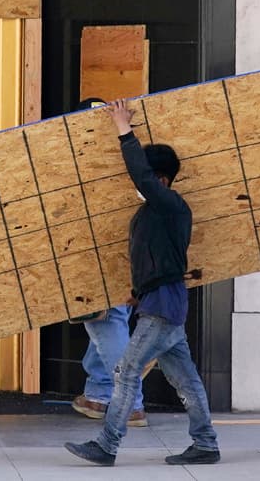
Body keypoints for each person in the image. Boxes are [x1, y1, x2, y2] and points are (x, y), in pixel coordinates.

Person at [64, 98, 220, 468]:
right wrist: (136, 295)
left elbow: (140, 174)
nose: (139, 185)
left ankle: (107, 444)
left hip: (163, 308)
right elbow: (158, 261)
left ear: (161, 180)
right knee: (187, 381)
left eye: (149, 179)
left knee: (126, 371)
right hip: (160, 302)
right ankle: (206, 443)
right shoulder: (154, 214)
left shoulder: (171, 205)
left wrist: (123, 128)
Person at [69, 98, 148, 429]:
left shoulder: (86, 161)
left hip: (99, 255)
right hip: (125, 254)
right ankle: (100, 393)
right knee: (108, 321)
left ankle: (131, 403)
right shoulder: (113, 160)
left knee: (106, 322)